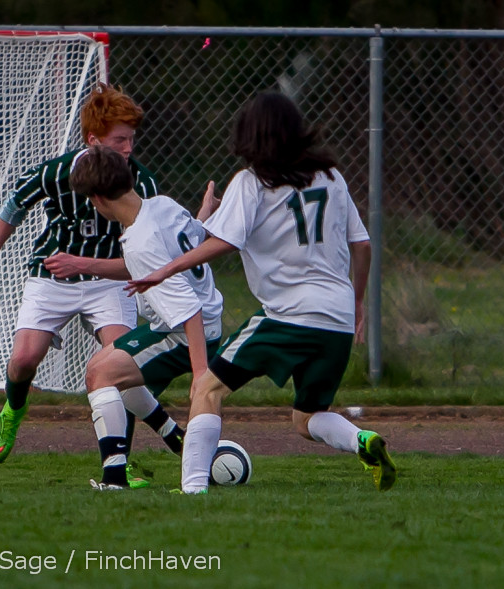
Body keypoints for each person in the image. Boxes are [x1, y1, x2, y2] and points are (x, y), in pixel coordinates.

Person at [126, 91, 397, 494]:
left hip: (287, 315)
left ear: (250, 134)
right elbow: (363, 246)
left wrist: (166, 269)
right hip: (336, 319)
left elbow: (222, 243)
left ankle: (192, 489)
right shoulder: (331, 177)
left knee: (207, 388)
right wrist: (357, 303)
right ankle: (362, 439)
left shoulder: (251, 182)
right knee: (307, 418)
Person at [0, 84, 193, 484]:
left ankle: (118, 466)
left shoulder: (142, 182)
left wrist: (87, 264)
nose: (128, 148)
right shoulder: (58, 171)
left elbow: (143, 258)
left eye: (131, 140)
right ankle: (13, 409)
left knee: (119, 365)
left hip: (108, 279)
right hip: (54, 273)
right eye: (119, 140)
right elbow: (12, 208)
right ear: (93, 141)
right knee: (23, 361)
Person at [67, 145, 223, 490]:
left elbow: (188, 311)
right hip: (190, 322)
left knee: (101, 376)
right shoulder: (162, 205)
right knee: (101, 368)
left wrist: (201, 376)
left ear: (98, 199)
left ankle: (114, 480)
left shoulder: (140, 241)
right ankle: (173, 437)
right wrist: (205, 214)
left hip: (187, 334)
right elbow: (193, 241)